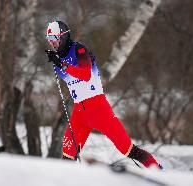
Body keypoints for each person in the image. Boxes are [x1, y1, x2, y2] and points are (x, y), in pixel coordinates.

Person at [45, 20, 162, 169]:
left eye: (54, 39)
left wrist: (62, 64)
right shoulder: (58, 57)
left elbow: (86, 74)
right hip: (79, 113)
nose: (52, 43)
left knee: (127, 149)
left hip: (98, 109)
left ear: (63, 36)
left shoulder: (79, 50)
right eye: (49, 40)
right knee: (68, 154)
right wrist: (58, 62)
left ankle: (158, 171)